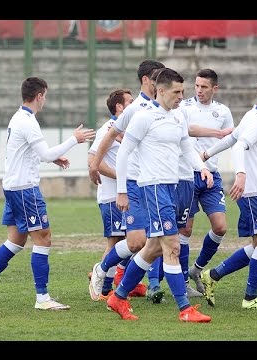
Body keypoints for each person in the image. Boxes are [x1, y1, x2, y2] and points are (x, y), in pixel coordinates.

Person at [0, 76, 96, 311]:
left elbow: (31, 152)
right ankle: (42, 298)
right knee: (43, 237)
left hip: (13, 186)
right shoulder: (27, 121)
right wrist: (73, 140)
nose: (45, 100)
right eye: (45, 96)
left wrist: (54, 157)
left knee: (16, 240)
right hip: (25, 189)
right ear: (39, 96)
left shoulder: (20, 118)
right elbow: (44, 153)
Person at [107, 67, 213, 322]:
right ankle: (185, 309)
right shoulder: (144, 117)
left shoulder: (178, 118)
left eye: (182, 92)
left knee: (153, 247)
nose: (181, 96)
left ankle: (118, 297)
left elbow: (187, 148)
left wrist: (203, 168)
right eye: (177, 92)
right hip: (153, 189)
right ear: (161, 91)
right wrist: (122, 191)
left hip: (172, 187)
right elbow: (123, 153)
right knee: (172, 246)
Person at [197, 80, 257, 309]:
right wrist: (240, 174)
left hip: (253, 190)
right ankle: (250, 298)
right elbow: (238, 146)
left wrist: (207, 153)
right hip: (255, 190)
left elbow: (230, 139)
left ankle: (213, 275)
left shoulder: (252, 115)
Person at [88, 59, 165, 301]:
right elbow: (110, 135)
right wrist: (94, 165)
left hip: (156, 183)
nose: (161, 83)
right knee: (136, 242)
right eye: (157, 78)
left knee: (160, 241)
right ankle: (103, 272)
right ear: (146, 80)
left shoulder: (164, 108)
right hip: (133, 185)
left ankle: (126, 290)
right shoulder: (135, 109)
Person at [179, 69, 235, 295]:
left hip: (211, 174)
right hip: (187, 174)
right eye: (197, 86)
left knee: (220, 227)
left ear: (215, 88)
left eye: (204, 87)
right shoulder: (183, 107)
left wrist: (209, 153)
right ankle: (182, 283)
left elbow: (230, 137)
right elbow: (185, 131)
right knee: (185, 229)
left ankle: (197, 269)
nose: (199, 90)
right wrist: (218, 133)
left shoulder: (222, 111)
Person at [86, 89, 134, 301]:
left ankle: (108, 281)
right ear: (119, 107)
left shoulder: (127, 129)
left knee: (129, 241)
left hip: (123, 195)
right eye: (130, 102)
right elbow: (93, 161)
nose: (135, 104)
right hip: (111, 196)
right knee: (115, 244)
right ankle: (103, 288)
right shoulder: (107, 129)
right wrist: (121, 176)